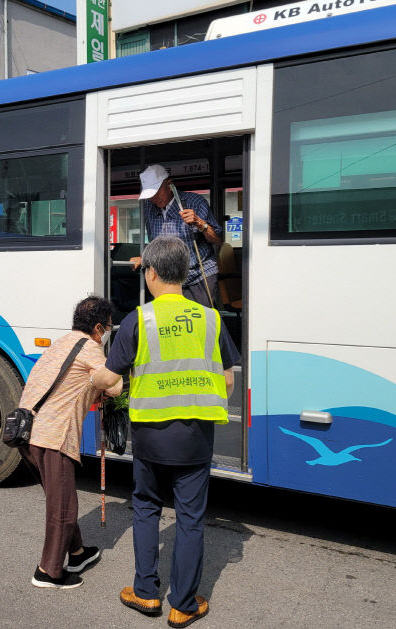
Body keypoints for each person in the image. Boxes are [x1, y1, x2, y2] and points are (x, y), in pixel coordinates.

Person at [91, 236, 239, 627]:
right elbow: (227, 382)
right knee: (190, 518)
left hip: (151, 437)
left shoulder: (140, 320)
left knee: (146, 508)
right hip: (195, 438)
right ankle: (184, 605)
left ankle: (145, 594)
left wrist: (93, 374)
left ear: (151, 272)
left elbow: (110, 377)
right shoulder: (211, 318)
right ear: (186, 272)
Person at [19, 296, 123, 590]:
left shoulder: (61, 343)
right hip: (54, 436)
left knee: (58, 498)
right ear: (99, 328)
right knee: (63, 507)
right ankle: (48, 572)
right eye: (109, 329)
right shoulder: (89, 348)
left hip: (28, 434)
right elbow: (114, 386)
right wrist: (101, 380)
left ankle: (77, 554)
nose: (106, 336)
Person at [131, 164, 223, 307]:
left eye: (156, 192)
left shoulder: (195, 202)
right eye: (150, 195)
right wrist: (145, 257)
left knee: (199, 319)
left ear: (170, 184)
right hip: (167, 277)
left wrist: (200, 223)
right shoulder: (148, 207)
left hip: (198, 275)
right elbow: (155, 242)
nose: (154, 199)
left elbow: (217, 239)